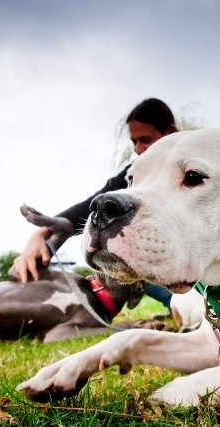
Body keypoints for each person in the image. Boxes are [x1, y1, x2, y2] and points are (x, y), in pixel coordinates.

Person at [13, 98, 178, 309]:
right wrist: (40, 233)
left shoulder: (202, 169)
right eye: (133, 141)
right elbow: (88, 206)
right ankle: (176, 305)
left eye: (145, 139)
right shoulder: (135, 172)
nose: (137, 149)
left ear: (170, 133)